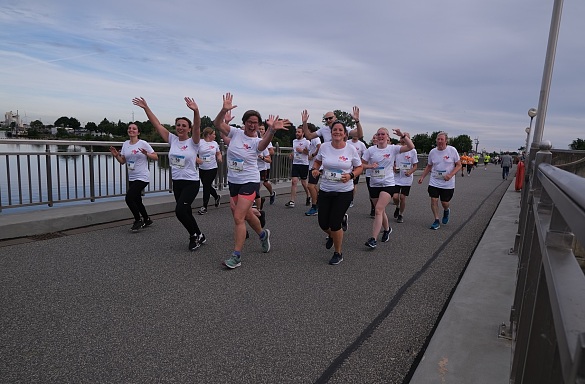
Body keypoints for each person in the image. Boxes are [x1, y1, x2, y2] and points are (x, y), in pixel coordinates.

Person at [213, 93, 287, 269]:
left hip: (250, 180)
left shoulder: (257, 141)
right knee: (245, 214)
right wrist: (224, 110)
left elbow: (263, 146)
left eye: (255, 122)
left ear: (258, 124)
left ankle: (236, 257)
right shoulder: (236, 133)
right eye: (249, 121)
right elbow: (217, 125)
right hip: (234, 180)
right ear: (245, 122)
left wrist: (272, 130)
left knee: (238, 217)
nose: (252, 125)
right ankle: (262, 235)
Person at [132, 96, 206, 251]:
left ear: (189, 128)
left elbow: (198, 127)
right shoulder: (172, 139)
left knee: (179, 211)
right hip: (177, 182)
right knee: (186, 211)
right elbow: (157, 124)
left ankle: (194, 236)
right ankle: (200, 234)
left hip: (190, 182)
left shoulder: (193, 142)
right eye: (178, 125)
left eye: (184, 125)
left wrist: (196, 111)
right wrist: (146, 108)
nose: (180, 127)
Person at [307, 113, 363, 265]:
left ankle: (338, 252)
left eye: (340, 130)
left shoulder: (350, 149)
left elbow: (359, 167)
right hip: (326, 189)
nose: (337, 132)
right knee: (323, 223)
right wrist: (315, 169)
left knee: (335, 222)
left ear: (345, 134)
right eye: (334, 130)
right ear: (330, 133)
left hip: (344, 191)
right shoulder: (324, 147)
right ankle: (332, 235)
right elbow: (317, 162)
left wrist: (351, 175)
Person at [362, 127, 414, 248]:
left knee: (378, 210)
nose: (380, 136)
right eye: (378, 134)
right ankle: (387, 229)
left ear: (387, 136)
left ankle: (373, 239)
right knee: (381, 210)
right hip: (374, 183)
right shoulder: (370, 150)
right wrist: (370, 166)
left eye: (383, 134)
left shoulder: (393, 149)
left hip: (388, 183)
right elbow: (361, 164)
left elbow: (411, 147)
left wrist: (402, 135)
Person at [109, 123, 158, 231]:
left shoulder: (143, 143)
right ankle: (147, 219)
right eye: (129, 128)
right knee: (137, 200)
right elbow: (122, 161)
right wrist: (116, 155)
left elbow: (156, 157)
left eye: (134, 129)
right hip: (132, 176)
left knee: (129, 198)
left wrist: (147, 154)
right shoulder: (125, 144)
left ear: (138, 132)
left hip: (142, 176)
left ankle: (138, 220)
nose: (131, 130)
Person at [417, 132, 462, 230]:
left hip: (447, 183)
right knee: (434, 200)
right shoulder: (432, 152)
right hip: (435, 180)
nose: (440, 141)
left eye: (442, 139)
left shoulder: (452, 150)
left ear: (446, 141)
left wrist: (450, 175)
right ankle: (436, 220)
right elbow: (429, 166)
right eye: (438, 139)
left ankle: (446, 210)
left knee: (444, 202)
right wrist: (422, 177)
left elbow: (459, 165)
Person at [392, 133, 418, 223]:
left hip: (407, 178)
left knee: (402, 197)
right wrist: (394, 168)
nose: (403, 139)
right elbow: (392, 162)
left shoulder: (413, 151)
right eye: (401, 137)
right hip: (396, 177)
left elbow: (415, 166)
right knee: (395, 197)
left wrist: (410, 172)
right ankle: (397, 206)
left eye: (405, 138)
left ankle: (401, 214)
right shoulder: (396, 149)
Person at [197, 127, 222, 214]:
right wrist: (197, 159)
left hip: (212, 168)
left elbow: (218, 153)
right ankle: (216, 197)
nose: (215, 136)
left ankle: (204, 207)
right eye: (214, 134)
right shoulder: (200, 142)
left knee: (206, 186)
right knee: (206, 185)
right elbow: (193, 153)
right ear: (208, 135)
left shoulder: (215, 143)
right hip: (202, 168)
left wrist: (219, 157)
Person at [285, 127, 311, 208]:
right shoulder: (294, 141)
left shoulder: (307, 142)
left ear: (303, 133)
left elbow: (309, 153)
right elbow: (294, 151)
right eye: (296, 132)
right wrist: (292, 155)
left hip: (304, 164)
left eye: (299, 132)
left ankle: (308, 196)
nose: (297, 133)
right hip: (295, 163)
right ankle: (292, 201)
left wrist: (302, 151)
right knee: (294, 181)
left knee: (304, 182)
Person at [257, 123, 276, 206]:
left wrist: (264, 151)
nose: (260, 130)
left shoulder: (267, 141)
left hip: (264, 166)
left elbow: (272, 152)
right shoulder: (254, 140)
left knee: (264, 182)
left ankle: (271, 193)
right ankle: (257, 201)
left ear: (265, 131)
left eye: (262, 129)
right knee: (260, 183)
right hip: (255, 167)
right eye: (259, 129)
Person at [304, 126, 321, 216]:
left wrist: (313, 154)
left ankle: (314, 207)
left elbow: (319, 147)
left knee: (310, 186)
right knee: (313, 186)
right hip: (312, 165)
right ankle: (318, 202)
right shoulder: (311, 141)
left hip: (315, 167)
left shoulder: (315, 138)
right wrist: (307, 152)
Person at [347, 134, 367, 207]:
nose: (355, 135)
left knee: (354, 184)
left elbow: (365, 155)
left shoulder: (361, 144)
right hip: (347, 165)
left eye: (356, 134)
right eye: (354, 134)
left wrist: (361, 164)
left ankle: (351, 199)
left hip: (356, 167)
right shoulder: (347, 142)